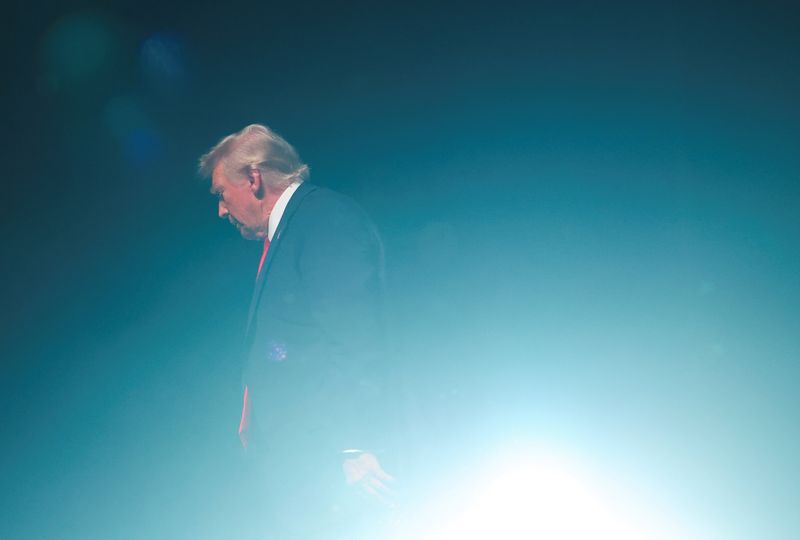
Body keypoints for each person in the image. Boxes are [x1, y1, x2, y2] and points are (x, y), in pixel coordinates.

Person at [198, 124, 396, 538]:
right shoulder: (291, 232)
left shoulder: (323, 219)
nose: (220, 209)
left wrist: (355, 444)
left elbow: (355, 332)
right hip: (303, 468)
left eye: (221, 193)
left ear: (253, 179)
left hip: (332, 466)